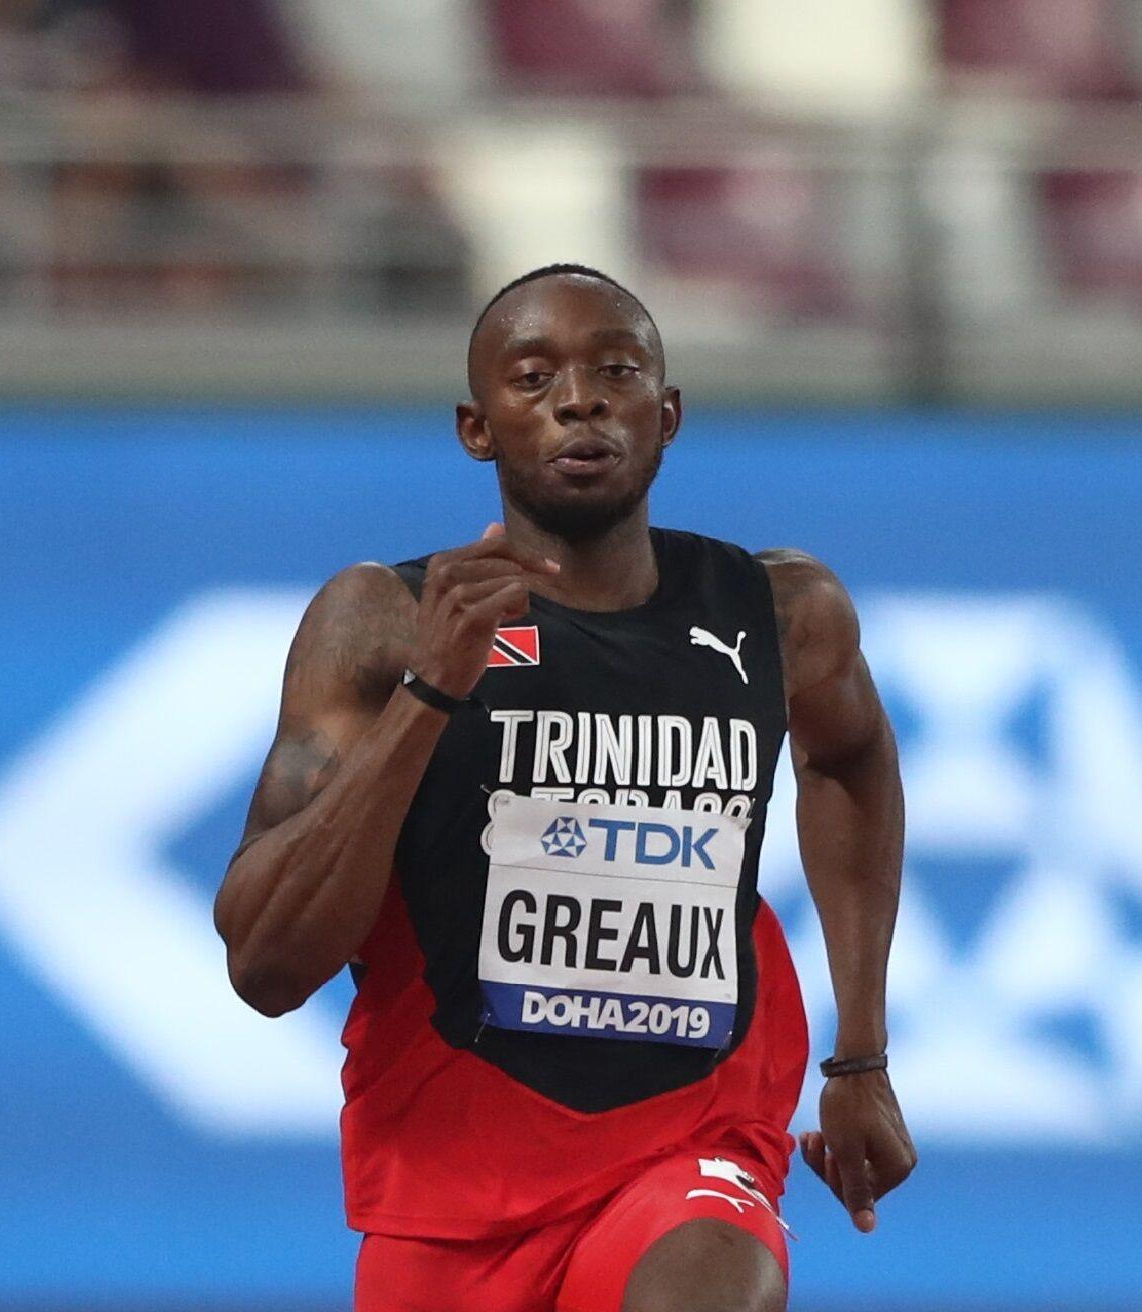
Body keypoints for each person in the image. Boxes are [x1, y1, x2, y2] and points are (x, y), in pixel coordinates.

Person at [213, 263, 917, 1311]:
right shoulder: (381, 624)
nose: (578, 399)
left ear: (666, 414)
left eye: (616, 371)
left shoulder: (778, 613)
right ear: (476, 428)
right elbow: (265, 964)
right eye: (533, 376)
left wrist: (859, 1053)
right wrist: (429, 694)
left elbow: (848, 756)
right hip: (452, 1183)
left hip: (694, 1140)